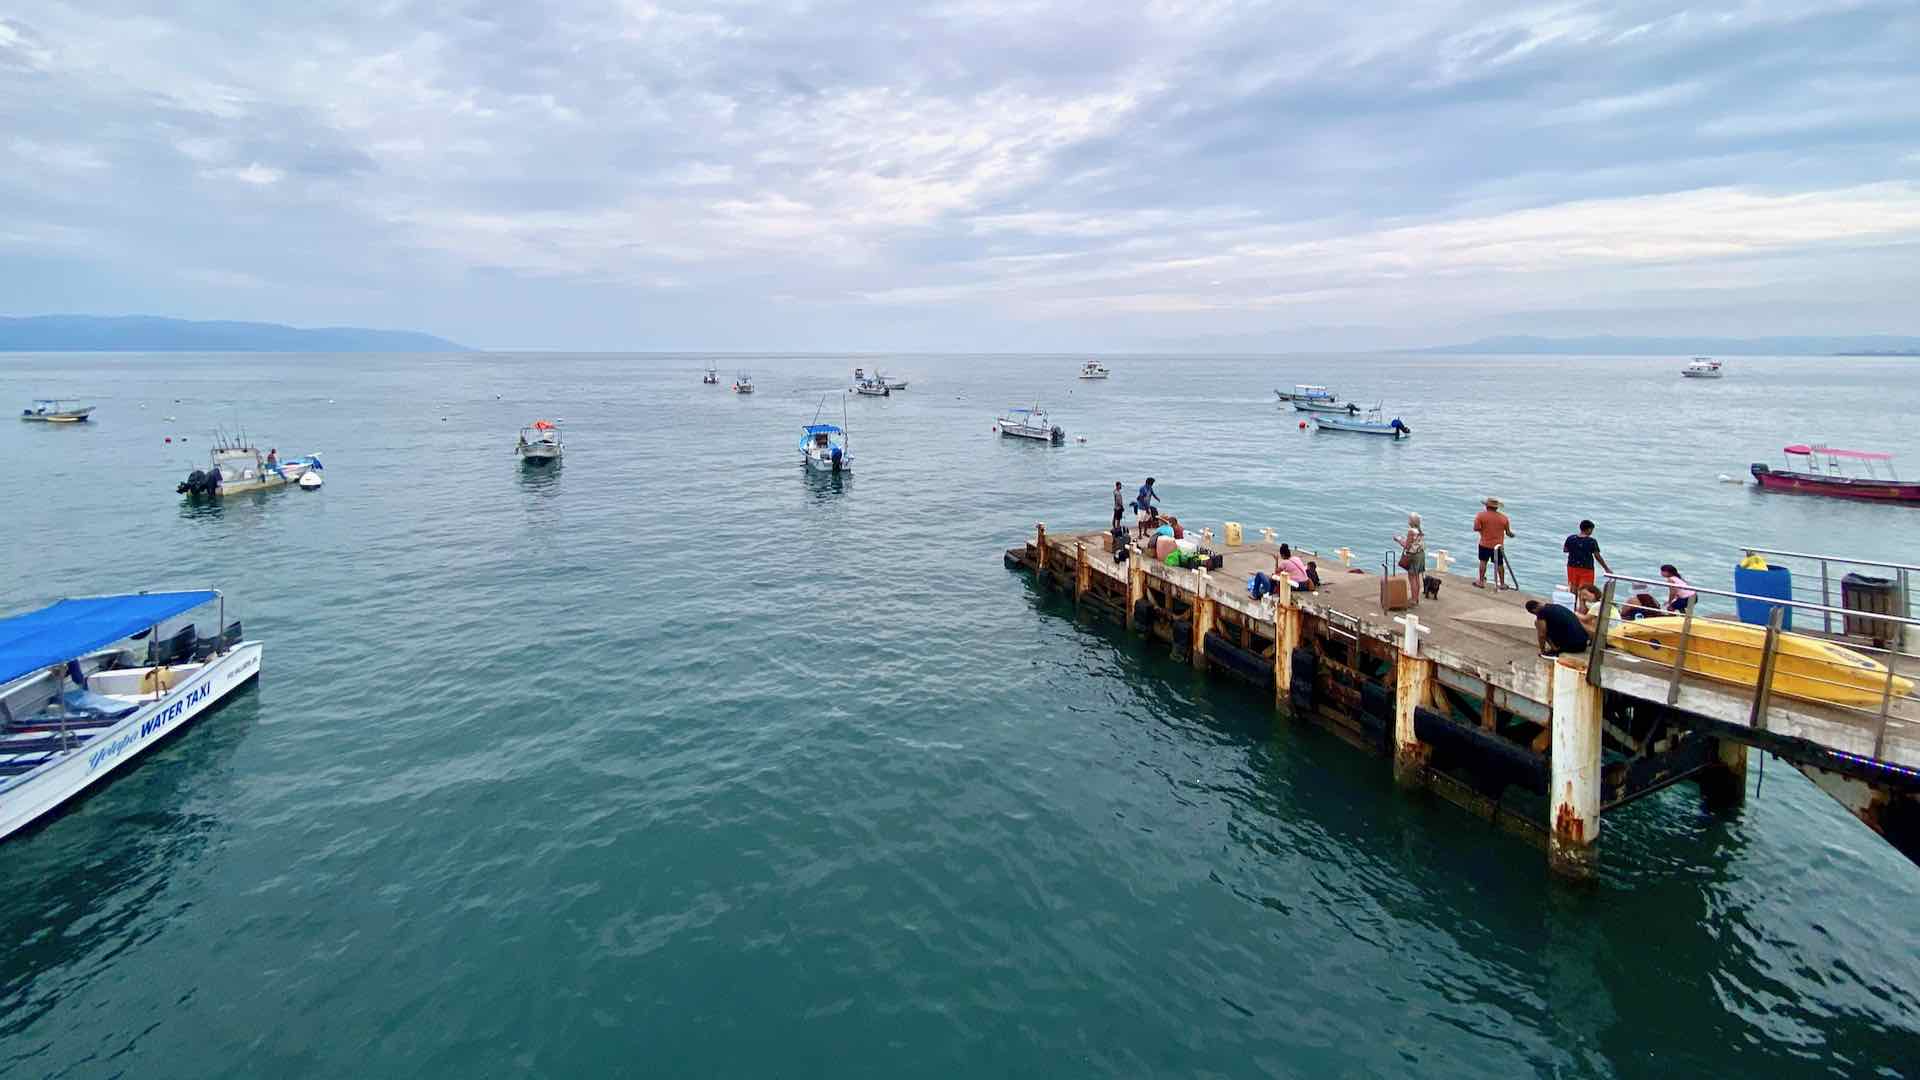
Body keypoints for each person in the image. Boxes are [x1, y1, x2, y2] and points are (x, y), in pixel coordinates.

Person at [1472, 497, 1514, 590]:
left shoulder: (1481, 516)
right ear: (1497, 508)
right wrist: (1512, 535)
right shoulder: (1504, 518)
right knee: (1499, 564)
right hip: (1498, 546)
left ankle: (1481, 582)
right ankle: (1502, 584)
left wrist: (1483, 531)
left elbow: (1475, 528)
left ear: (1487, 506)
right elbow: (1508, 533)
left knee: (1483, 562)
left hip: (1484, 544)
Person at [1562, 519, 1611, 591]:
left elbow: (1565, 550)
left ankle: (1573, 602)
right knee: (1585, 589)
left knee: (1573, 588)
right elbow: (1597, 556)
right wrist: (1606, 568)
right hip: (1586, 568)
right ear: (1589, 529)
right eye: (1592, 530)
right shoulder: (1591, 541)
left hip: (1572, 566)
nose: (1592, 532)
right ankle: (1582, 602)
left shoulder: (1571, 538)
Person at [1395, 511, 1426, 607]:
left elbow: (1407, 546)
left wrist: (1398, 540)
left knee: (1412, 578)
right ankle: (1415, 598)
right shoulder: (1419, 531)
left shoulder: (1411, 531)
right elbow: (1415, 543)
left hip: (1413, 557)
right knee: (1416, 578)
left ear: (1411, 522)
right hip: (1420, 554)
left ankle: (1413, 600)